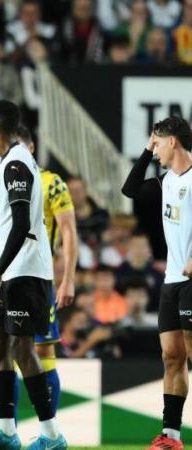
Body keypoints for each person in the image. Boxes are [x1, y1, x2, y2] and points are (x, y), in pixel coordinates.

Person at [0, 100, 66, 450]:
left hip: (25, 270)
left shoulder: (17, 164)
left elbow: (22, 223)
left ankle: (52, 435)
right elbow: (6, 223)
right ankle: (7, 431)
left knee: (22, 348)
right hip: (13, 269)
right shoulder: (4, 161)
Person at [121, 116, 192, 450]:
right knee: (172, 357)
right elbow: (130, 189)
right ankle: (171, 437)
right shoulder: (164, 182)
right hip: (171, 282)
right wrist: (148, 149)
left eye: (159, 143)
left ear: (173, 141)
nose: (157, 150)